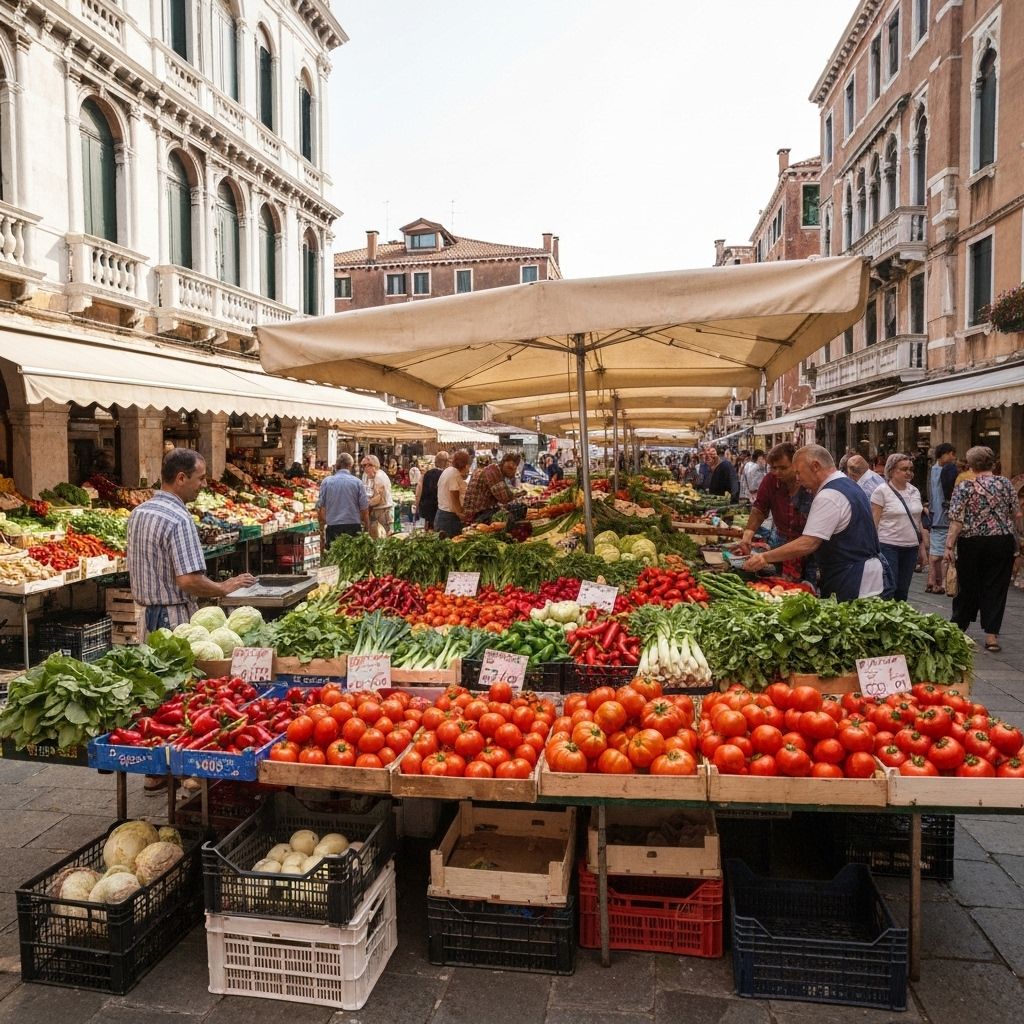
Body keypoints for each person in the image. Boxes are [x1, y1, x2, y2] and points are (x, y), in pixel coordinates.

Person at [127, 449, 256, 634]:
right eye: (200, 478)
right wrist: (223, 587)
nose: (204, 484)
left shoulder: (139, 513)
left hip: (145, 618)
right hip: (172, 619)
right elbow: (188, 580)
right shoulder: (179, 518)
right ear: (181, 478)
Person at [744, 444, 891, 601]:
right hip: (864, 575)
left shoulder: (829, 495)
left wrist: (764, 557)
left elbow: (808, 543)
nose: (798, 478)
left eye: (799, 472)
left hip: (854, 579)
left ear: (815, 466)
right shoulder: (848, 484)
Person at [944, 446, 1023, 653]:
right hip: (1002, 541)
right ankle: (991, 637)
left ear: (970, 465)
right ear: (993, 464)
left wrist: (949, 545)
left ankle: (959, 628)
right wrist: (1019, 539)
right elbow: (1017, 515)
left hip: (972, 542)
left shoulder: (964, 487)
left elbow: (956, 520)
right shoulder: (1005, 484)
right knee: (996, 587)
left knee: (968, 585)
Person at [737, 442, 814, 582]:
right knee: (783, 584)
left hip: (810, 543)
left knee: (810, 584)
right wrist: (748, 534)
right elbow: (759, 508)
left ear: (795, 464)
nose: (777, 472)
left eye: (783, 468)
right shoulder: (770, 481)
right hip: (782, 540)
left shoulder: (808, 480)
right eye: (773, 468)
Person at [871, 453, 927, 602]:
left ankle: (899, 620)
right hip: (888, 545)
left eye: (910, 469)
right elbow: (874, 522)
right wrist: (871, 549)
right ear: (891, 471)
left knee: (902, 591)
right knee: (889, 588)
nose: (908, 472)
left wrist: (923, 548)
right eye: (903, 469)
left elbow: (917, 521)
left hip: (910, 547)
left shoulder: (914, 491)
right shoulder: (881, 491)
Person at [926, 443, 958, 594]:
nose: (954, 458)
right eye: (952, 454)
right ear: (945, 454)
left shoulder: (933, 469)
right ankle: (942, 583)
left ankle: (933, 582)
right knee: (944, 554)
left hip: (936, 516)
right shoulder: (948, 470)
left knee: (935, 553)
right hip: (943, 517)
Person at [317, 453, 369, 544]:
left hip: (333, 527)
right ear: (350, 466)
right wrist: (366, 528)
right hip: (353, 527)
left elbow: (321, 508)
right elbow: (364, 509)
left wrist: (322, 527)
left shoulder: (326, 482)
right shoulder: (358, 483)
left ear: (337, 465)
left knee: (334, 555)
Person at [463, 451, 521, 523]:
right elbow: (504, 498)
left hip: (476, 513)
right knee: (510, 518)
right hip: (476, 516)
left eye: (514, 469)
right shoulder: (493, 472)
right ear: (503, 463)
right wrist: (518, 495)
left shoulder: (492, 470)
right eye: (510, 468)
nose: (512, 472)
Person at [435, 450, 472, 536]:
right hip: (449, 518)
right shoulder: (454, 474)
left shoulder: (448, 470)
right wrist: (460, 514)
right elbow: (454, 495)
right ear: (466, 465)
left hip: (442, 514)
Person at [361, 454, 394, 537]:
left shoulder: (380, 477)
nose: (364, 468)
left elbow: (379, 498)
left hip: (382, 511)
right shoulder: (365, 475)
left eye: (366, 465)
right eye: (363, 465)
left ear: (373, 465)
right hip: (372, 511)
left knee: (382, 537)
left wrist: (366, 505)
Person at [416, 451, 448, 531]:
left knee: (426, 530)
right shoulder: (445, 475)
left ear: (436, 461)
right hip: (438, 508)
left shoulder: (426, 474)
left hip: (425, 507)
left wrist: (416, 506)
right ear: (446, 462)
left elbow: (419, 490)